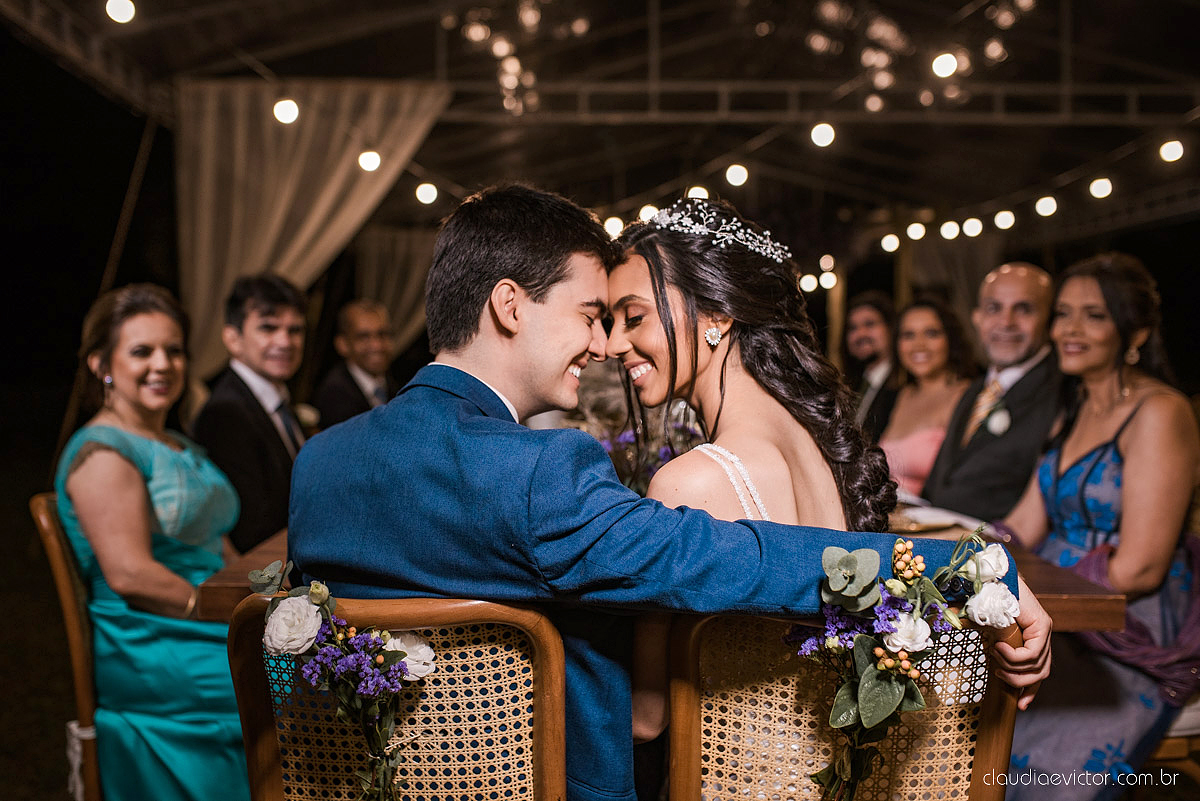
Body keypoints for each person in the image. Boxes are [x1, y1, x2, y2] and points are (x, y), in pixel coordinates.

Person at [287, 184, 1048, 801]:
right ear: (511, 305)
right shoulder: (542, 472)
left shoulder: (317, 464)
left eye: (621, 318)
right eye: (592, 315)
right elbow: (724, 558)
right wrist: (972, 570)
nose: (603, 344)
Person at [606, 197, 894, 744]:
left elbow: (646, 720)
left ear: (717, 314)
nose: (613, 344)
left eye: (635, 317)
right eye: (610, 322)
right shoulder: (820, 442)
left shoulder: (690, 484)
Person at [1000, 253, 1200, 799]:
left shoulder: (1161, 411)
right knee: (972, 718)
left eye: (1093, 315)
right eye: (1063, 313)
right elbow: (1020, 525)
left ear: (1134, 332)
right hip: (1060, 615)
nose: (1069, 329)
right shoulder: (1073, 409)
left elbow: (1140, 567)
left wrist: (1033, 584)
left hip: (1129, 631)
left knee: (1043, 768)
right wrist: (941, 555)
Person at [54, 284, 249, 801]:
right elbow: (130, 575)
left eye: (174, 350)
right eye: (142, 351)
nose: (163, 364)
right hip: (151, 637)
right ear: (102, 364)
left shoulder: (176, 445)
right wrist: (226, 612)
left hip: (195, 622)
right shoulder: (103, 452)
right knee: (285, 681)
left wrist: (264, 598)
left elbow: (218, 545)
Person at [923, 263, 1060, 521]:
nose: (1006, 323)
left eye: (1024, 309)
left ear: (1049, 320)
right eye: (994, 308)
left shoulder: (1061, 392)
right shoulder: (976, 389)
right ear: (977, 317)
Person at [192, 274, 307, 553]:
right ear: (233, 338)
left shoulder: (277, 401)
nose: (285, 342)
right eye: (268, 328)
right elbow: (251, 527)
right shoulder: (225, 413)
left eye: (295, 330)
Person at [878, 297, 975, 497]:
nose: (919, 345)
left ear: (950, 339)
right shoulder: (901, 395)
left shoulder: (966, 396)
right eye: (908, 335)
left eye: (931, 333)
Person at [311, 299, 399, 428]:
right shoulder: (334, 395)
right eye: (364, 337)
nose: (376, 345)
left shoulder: (394, 384)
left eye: (382, 334)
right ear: (343, 344)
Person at [843, 291, 900, 443]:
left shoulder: (903, 384)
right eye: (853, 328)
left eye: (870, 324)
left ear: (891, 329)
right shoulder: (849, 387)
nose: (860, 334)